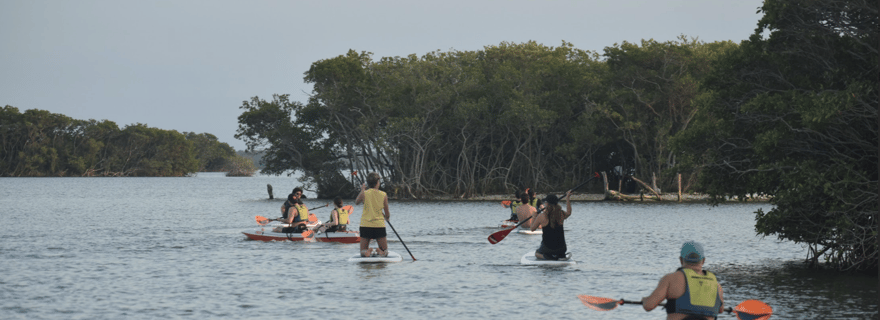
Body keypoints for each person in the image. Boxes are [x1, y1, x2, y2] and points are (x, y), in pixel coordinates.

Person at [641, 241, 725, 320]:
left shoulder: (670, 279)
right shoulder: (717, 286)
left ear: (681, 260)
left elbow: (649, 306)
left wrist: (645, 300)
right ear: (703, 260)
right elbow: (720, 310)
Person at [355, 172, 390, 257]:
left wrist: (362, 189)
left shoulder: (364, 193)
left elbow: (356, 202)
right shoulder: (383, 194)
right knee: (385, 252)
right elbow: (387, 213)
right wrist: (387, 218)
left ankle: (367, 251)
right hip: (379, 225)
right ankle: (380, 251)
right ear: (378, 182)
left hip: (365, 225)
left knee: (362, 252)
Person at [530, 191, 571, 260]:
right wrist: (567, 198)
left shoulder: (541, 216)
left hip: (548, 249)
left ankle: (547, 257)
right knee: (557, 248)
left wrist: (534, 217)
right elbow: (569, 212)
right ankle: (560, 256)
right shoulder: (561, 214)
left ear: (547, 203)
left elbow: (532, 228)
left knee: (536, 253)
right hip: (562, 249)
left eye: (545, 202)